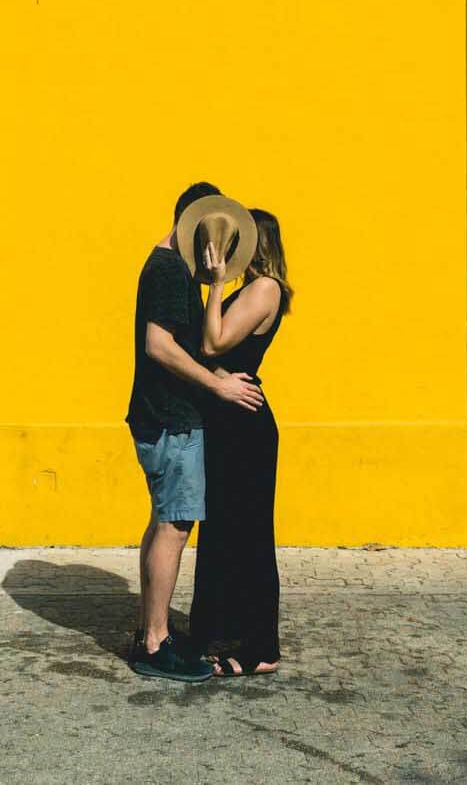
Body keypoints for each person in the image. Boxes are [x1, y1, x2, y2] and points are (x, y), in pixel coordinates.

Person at [125, 182, 265, 682]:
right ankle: (156, 644)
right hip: (171, 418)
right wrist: (218, 387)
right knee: (175, 526)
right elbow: (158, 346)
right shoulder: (166, 268)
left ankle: (148, 630)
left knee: (163, 520)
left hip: (161, 414)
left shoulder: (172, 267)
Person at [190, 208, 292, 678]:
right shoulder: (247, 289)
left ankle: (260, 648)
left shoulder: (265, 288)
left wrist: (213, 286)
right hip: (227, 421)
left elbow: (214, 344)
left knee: (248, 533)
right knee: (224, 531)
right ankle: (220, 633)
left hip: (245, 425)